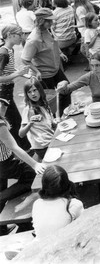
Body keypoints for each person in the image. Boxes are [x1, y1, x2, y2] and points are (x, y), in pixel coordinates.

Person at [0, 97, 45, 230]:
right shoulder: (0, 125)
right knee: (31, 175)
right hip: (4, 164)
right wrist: (35, 164)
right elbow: (14, 147)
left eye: (5, 106)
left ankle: (2, 230)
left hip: (3, 163)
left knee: (3, 190)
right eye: (2, 106)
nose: (4, 109)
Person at [21, 9, 70, 119]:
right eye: (49, 21)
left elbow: (54, 43)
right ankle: (52, 121)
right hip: (44, 75)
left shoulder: (48, 30)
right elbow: (25, 59)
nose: (52, 23)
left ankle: (64, 115)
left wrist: (60, 53)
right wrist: (36, 71)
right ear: (41, 21)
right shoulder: (33, 39)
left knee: (66, 90)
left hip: (56, 69)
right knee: (48, 101)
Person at [32, 166, 84, 239]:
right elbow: (84, 227)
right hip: (64, 246)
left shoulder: (37, 203)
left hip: (40, 246)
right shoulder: (74, 205)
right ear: (67, 182)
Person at [0, 25, 30, 150]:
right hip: (3, 94)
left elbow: (10, 70)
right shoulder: (3, 53)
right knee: (10, 122)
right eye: (19, 34)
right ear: (10, 35)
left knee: (14, 121)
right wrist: (19, 74)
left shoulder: (10, 50)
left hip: (8, 91)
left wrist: (27, 76)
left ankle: (23, 149)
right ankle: (20, 150)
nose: (22, 37)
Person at [19, 80, 55, 160]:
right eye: (29, 92)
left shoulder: (44, 104)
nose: (32, 94)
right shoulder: (28, 109)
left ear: (40, 90)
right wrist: (30, 123)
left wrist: (55, 122)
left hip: (51, 139)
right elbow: (21, 134)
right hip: (42, 147)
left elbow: (51, 123)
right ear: (26, 94)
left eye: (35, 90)